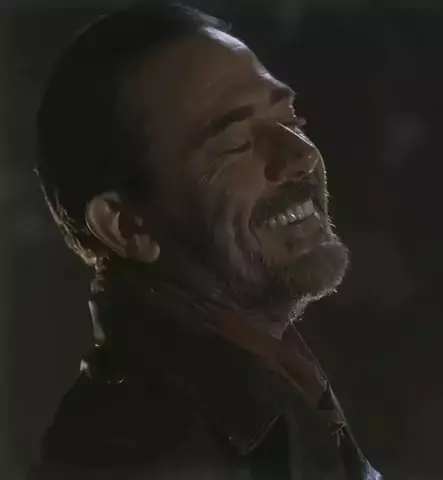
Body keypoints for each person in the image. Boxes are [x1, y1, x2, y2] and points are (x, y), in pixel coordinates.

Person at [28, 3, 382, 479]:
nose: (301, 156)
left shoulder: (276, 388)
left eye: (291, 119)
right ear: (127, 226)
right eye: (236, 144)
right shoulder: (131, 457)